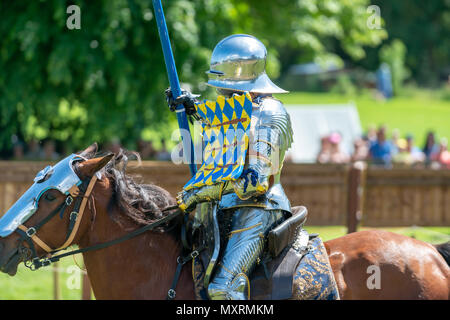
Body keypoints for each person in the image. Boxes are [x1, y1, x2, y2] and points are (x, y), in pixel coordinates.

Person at [165, 34, 292, 300]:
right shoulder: (240, 106)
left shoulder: (270, 112)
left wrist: (200, 193)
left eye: (222, 84)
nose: (218, 90)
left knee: (223, 288)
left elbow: (253, 183)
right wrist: (190, 107)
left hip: (258, 207)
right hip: (221, 208)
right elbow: (224, 125)